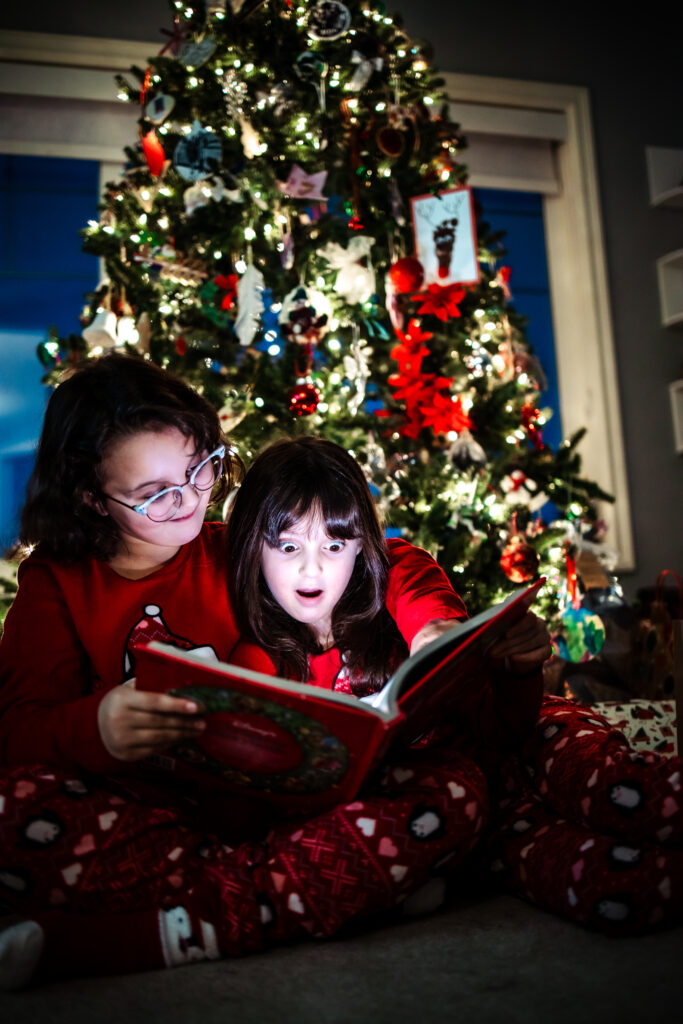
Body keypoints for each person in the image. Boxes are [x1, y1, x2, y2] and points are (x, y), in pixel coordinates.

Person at [0, 353, 486, 989]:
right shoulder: (55, 585)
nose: (192, 500)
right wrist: (99, 727)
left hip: (276, 812)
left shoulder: (232, 545)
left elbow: (376, 553)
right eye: (156, 494)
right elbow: (16, 736)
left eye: (202, 469)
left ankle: (160, 925)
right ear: (92, 498)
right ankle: (310, 886)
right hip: (143, 819)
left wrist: (433, 623)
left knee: (455, 793)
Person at [227, 437, 683, 937]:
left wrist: (510, 663)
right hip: (459, 813)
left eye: (334, 546)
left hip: (525, 743)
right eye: (288, 546)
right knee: (616, 889)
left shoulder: (397, 571)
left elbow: (445, 640)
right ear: (254, 546)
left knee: (624, 786)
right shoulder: (256, 659)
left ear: (360, 545)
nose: (311, 568)